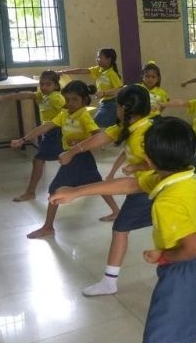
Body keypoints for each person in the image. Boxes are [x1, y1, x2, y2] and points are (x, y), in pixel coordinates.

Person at [50, 117, 196, 343]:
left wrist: (162, 256)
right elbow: (132, 184)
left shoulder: (166, 202)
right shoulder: (185, 179)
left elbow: (192, 248)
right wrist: (76, 192)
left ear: (148, 159)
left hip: (184, 269)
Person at [55, 85, 159, 294]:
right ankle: (109, 282)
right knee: (123, 228)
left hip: (155, 189)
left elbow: (160, 164)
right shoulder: (128, 126)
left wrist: (136, 167)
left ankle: (109, 282)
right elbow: (101, 138)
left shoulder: (144, 133)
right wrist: (73, 152)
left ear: (121, 108)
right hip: (144, 187)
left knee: (131, 227)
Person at [12, 80, 120, 239]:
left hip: (80, 157)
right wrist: (23, 139)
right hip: (72, 157)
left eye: (74, 99)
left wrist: (79, 142)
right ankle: (116, 211)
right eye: (67, 99)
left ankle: (48, 227)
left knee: (55, 189)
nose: (70, 103)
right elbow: (45, 126)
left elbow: (97, 136)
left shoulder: (83, 115)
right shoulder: (64, 114)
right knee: (97, 184)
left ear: (84, 100)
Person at [0, 70, 65, 202]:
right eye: (41, 84)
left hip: (57, 132)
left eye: (48, 84)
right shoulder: (43, 96)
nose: (44, 87)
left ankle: (30, 192)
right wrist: (5, 98)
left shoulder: (55, 97)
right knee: (58, 159)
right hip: (49, 132)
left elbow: (68, 110)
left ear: (56, 85)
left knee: (39, 160)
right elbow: (26, 95)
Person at [57, 48, 124, 127]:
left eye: (99, 57)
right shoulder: (99, 70)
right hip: (103, 103)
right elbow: (82, 71)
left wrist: (104, 93)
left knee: (95, 124)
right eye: (97, 57)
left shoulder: (112, 73)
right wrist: (63, 72)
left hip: (112, 104)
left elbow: (120, 89)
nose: (97, 59)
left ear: (108, 59)